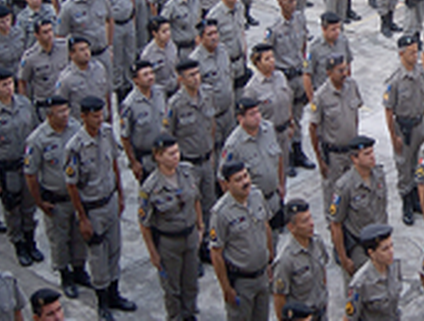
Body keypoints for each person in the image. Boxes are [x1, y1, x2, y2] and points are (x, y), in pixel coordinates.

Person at [64, 96, 136, 320]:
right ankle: (102, 301)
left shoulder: (106, 132)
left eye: (101, 114)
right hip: (92, 208)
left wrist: (121, 194)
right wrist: (82, 217)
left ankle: (114, 294)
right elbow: (72, 185)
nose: (99, 119)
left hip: (110, 201)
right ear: (83, 116)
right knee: (97, 256)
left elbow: (114, 163)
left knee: (114, 250)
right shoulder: (75, 146)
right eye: (94, 116)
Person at [24, 96, 88, 299]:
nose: (66, 115)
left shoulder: (76, 128)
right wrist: (39, 201)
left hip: (76, 196)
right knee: (59, 240)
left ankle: (79, 270)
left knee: (79, 237)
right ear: (49, 115)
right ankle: (65, 275)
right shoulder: (37, 139)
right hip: (56, 198)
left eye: (67, 110)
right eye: (60, 112)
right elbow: (31, 174)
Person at [0, 69, 40, 265]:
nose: (9, 88)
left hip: (26, 165)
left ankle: (31, 241)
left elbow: (35, 134)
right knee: (12, 208)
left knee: (29, 206)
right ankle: (18, 244)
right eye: (4, 85)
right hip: (6, 168)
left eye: (10, 83)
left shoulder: (24, 104)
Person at [138, 134, 202, 321]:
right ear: (158, 156)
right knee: (172, 288)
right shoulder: (151, 187)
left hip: (189, 235)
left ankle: (189, 314)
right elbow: (145, 224)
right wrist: (153, 253)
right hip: (168, 242)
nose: (176, 156)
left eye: (177, 151)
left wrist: (200, 226)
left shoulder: (187, 172)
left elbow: (196, 199)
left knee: (190, 283)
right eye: (170, 153)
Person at [163, 59, 217, 256]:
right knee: (190, 208)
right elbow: (169, 136)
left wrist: (211, 152)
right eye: (191, 75)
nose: (196, 78)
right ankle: (194, 248)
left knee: (209, 203)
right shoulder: (175, 104)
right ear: (181, 79)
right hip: (187, 163)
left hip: (206, 159)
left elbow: (211, 124)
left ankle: (208, 245)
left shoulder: (207, 95)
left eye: (197, 73)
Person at [210, 161, 273, 321]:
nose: (245, 182)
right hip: (241, 282)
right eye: (238, 179)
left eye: (246, 176)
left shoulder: (257, 196)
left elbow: (266, 227)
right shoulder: (221, 213)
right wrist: (226, 288)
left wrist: (270, 260)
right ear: (226, 184)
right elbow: (216, 253)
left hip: (262, 276)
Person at [266, 0, 314, 173]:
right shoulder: (274, 28)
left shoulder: (300, 19)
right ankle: (286, 159)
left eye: (294, 0)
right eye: (289, 1)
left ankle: (298, 151)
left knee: (298, 115)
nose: (293, 4)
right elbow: (266, 53)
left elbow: (303, 44)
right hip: (283, 77)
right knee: (286, 119)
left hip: (297, 74)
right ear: (280, 2)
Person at [220, 98, 284, 235]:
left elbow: (278, 158)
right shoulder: (234, 145)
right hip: (253, 204)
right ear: (240, 118)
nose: (257, 117)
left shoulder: (269, 129)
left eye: (258, 112)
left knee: (275, 238)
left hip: (273, 198)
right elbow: (223, 178)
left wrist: (281, 184)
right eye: (252, 114)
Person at [384, 33, 424, 225]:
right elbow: (388, 110)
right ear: (401, 54)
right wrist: (394, 136)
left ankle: (417, 200)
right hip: (403, 129)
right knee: (404, 167)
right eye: (411, 53)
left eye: (416, 52)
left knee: (419, 164)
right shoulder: (394, 80)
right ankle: (407, 203)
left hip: (419, 124)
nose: (415, 56)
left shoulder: (420, 72)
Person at [328, 136, 388, 276]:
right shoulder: (344, 186)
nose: (372, 157)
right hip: (360, 246)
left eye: (372, 152)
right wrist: (344, 258)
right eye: (366, 154)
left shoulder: (379, 175)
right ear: (354, 159)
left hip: (380, 241)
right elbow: (336, 224)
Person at [308, 55, 362, 207]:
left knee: (353, 191)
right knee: (334, 195)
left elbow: (355, 115)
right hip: (333, 156)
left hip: (351, 152)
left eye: (345, 69)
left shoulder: (352, 86)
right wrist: (320, 160)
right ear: (329, 73)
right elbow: (313, 128)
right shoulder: (321, 96)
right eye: (340, 71)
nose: (344, 73)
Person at [272, 199, 330, 321]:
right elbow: (279, 297)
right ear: (291, 227)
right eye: (305, 221)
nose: (311, 224)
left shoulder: (317, 242)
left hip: (321, 313)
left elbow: (322, 271)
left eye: (310, 218)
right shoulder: (286, 259)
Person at [243, 44, 294, 177]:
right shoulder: (252, 88)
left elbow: (287, 99)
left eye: (272, 57)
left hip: (283, 132)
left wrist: (291, 121)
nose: (272, 61)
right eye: (267, 59)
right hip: (267, 136)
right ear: (257, 63)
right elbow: (248, 117)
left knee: (283, 169)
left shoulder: (280, 77)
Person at [119, 61, 167, 183]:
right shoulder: (129, 104)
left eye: (151, 73)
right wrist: (133, 162)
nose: (150, 77)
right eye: (145, 75)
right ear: (136, 80)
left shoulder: (160, 93)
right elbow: (125, 136)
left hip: (164, 152)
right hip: (146, 157)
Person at [191, 19, 234, 147]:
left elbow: (229, 75)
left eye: (216, 33)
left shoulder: (223, 50)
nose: (214, 37)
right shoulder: (195, 61)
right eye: (209, 34)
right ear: (200, 38)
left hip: (228, 112)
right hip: (212, 117)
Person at [343, 223, 400, 321]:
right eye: (385, 249)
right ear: (371, 253)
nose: (391, 252)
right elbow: (348, 318)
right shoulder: (360, 283)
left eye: (391, 246)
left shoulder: (395, 266)